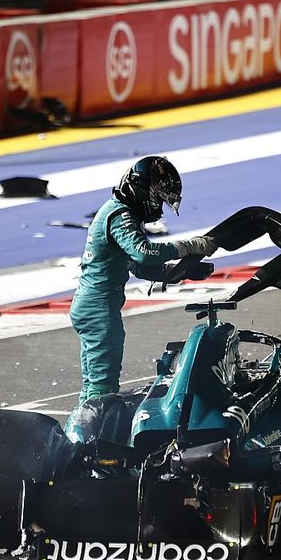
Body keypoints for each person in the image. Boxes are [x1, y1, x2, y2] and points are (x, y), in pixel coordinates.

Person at [66, 156, 217, 438]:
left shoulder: (120, 212)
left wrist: (178, 273)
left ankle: (78, 438)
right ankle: (88, 449)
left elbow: (137, 266)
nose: (158, 207)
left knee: (93, 385)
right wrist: (189, 246)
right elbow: (143, 253)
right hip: (98, 309)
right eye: (157, 198)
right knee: (102, 386)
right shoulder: (120, 215)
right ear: (141, 189)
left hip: (94, 306)